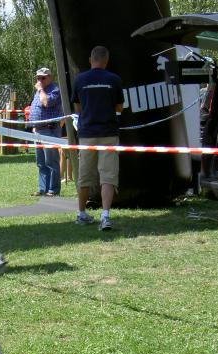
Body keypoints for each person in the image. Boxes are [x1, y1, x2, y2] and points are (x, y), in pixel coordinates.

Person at [70, 46, 124, 231]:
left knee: (84, 176)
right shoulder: (114, 79)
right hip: (109, 133)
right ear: (106, 60)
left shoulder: (79, 79)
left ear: (90, 59)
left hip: (87, 134)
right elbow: (119, 108)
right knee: (108, 176)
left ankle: (81, 214)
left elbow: (77, 108)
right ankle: (105, 216)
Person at [29, 67, 63, 197]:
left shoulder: (55, 90)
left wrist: (40, 89)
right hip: (38, 130)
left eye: (43, 78)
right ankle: (43, 189)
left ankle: (53, 190)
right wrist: (34, 126)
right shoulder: (40, 91)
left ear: (50, 77)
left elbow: (46, 103)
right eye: (38, 78)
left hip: (50, 130)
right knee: (41, 163)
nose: (40, 80)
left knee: (51, 162)